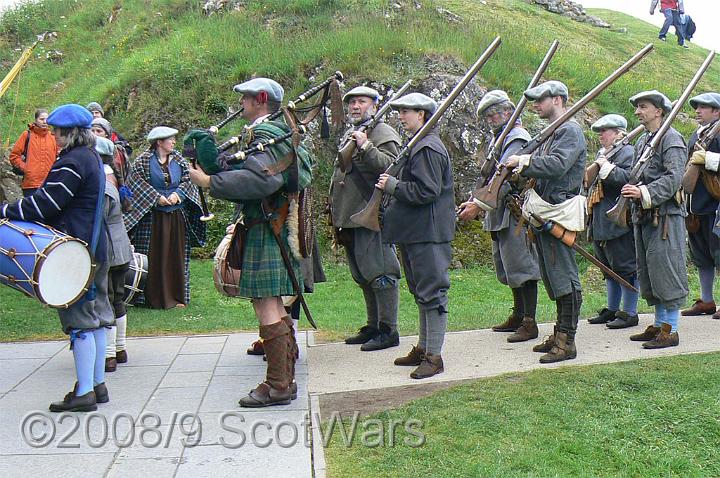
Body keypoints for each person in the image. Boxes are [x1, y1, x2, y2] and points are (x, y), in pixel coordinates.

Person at [188, 77, 312, 407]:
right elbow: (251, 170)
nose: (240, 104)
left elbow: (260, 181)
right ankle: (284, 380)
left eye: (244, 98)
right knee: (271, 304)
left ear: (260, 98)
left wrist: (210, 181)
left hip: (266, 226)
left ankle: (278, 385)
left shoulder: (267, 133)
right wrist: (216, 165)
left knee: (267, 304)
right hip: (269, 225)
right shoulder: (274, 131)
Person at [1, 104, 113, 412]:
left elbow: (46, 204)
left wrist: (7, 211)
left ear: (67, 133)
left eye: (56, 132)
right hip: (97, 246)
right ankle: (97, 384)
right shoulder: (91, 157)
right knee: (99, 318)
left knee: (79, 322)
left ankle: (85, 392)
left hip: (76, 252)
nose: (54, 137)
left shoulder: (72, 161)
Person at [504, 80, 586, 364]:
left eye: (541, 99)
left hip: (558, 210)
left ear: (558, 100)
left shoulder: (570, 131)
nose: (536, 105)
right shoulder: (552, 133)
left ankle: (567, 341)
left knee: (565, 278)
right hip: (545, 209)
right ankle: (560, 332)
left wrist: (524, 161)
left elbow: (558, 165)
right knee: (553, 276)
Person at [376, 92, 455, 379]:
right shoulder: (419, 144)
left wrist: (394, 186)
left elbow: (427, 191)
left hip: (428, 233)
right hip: (417, 232)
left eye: (406, 111)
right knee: (422, 292)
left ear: (421, 114)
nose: (400, 116)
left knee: (432, 293)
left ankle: (434, 356)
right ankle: (424, 348)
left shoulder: (427, 148)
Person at [458, 90, 541, 343]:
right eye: (487, 115)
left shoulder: (516, 138)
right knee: (510, 266)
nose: (490, 119)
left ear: (508, 112)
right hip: (501, 210)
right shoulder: (502, 138)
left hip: (513, 210)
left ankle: (529, 322)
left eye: (494, 113)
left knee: (523, 267)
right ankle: (518, 315)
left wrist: (478, 206)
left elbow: (501, 179)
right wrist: (474, 201)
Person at [331, 85, 402, 351]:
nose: (355, 106)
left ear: (374, 105)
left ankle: (388, 329)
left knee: (382, 272)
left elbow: (393, 167)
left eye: (361, 102)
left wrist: (367, 146)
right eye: (351, 103)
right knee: (363, 274)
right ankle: (373, 325)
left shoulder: (382, 133)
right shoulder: (354, 132)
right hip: (352, 216)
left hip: (372, 214)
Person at [624, 90, 688, 348]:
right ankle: (660, 323)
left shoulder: (671, 139)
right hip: (646, 215)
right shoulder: (643, 142)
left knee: (667, 271)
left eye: (643, 106)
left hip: (665, 218)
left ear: (659, 111)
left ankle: (670, 329)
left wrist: (644, 191)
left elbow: (674, 178)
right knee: (650, 272)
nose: (638, 112)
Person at [124, 127, 206, 309]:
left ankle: (177, 297)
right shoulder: (143, 161)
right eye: (170, 139)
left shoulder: (178, 159)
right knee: (154, 255)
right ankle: (152, 297)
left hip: (176, 216)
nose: (174, 142)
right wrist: (156, 197)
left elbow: (188, 179)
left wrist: (179, 194)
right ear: (159, 142)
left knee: (176, 254)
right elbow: (136, 183)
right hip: (152, 218)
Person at [585, 114, 640, 329]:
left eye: (605, 131)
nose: (600, 135)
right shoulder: (606, 153)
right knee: (608, 268)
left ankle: (629, 312)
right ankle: (612, 307)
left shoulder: (627, 152)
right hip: (601, 220)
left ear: (618, 133)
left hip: (618, 220)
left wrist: (606, 167)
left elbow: (629, 179)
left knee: (625, 266)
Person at [94, 136, 133, 372]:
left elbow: (97, 220)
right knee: (116, 298)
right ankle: (120, 349)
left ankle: (109, 355)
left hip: (108, 250)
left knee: (107, 299)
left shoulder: (103, 183)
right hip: (120, 248)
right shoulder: (114, 179)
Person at [682, 93, 720, 318]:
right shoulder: (696, 135)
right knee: (701, 255)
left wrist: (708, 159)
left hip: (716, 204)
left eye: (703, 107)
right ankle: (706, 300)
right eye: (697, 107)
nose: (697, 111)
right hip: (697, 204)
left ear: (717, 111)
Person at [9, 109, 59, 197]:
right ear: (36, 120)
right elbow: (14, 156)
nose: (44, 122)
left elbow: (60, 156)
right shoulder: (27, 135)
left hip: (50, 183)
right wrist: (26, 168)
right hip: (31, 184)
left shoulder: (53, 137)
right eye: (41, 119)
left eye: (46, 119)